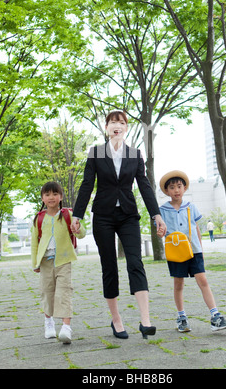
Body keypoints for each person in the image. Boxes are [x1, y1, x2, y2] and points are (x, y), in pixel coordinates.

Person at [71, 110, 167, 339]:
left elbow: (144, 185)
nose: (117, 125)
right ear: (106, 127)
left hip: (128, 215)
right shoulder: (95, 153)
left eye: (122, 122)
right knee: (110, 266)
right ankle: (116, 320)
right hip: (102, 216)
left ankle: (145, 321)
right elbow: (86, 184)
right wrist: (77, 215)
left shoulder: (135, 154)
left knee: (135, 262)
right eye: (113, 122)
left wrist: (156, 215)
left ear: (126, 128)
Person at [158, 170, 226, 333]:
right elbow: (161, 229)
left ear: (184, 188)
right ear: (167, 191)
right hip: (176, 252)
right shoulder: (162, 210)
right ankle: (181, 317)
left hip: (194, 250)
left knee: (203, 280)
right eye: (172, 187)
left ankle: (215, 316)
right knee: (178, 284)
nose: (176, 190)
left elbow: (196, 228)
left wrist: (201, 249)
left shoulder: (191, 207)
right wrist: (161, 232)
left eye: (179, 186)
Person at [31, 181, 85, 344]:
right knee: (47, 293)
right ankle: (49, 323)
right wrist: (35, 263)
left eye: (55, 194)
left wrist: (78, 227)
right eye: (47, 194)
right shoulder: (38, 218)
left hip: (64, 261)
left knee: (64, 292)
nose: (51, 197)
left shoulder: (68, 214)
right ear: (42, 198)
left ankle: (66, 328)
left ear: (61, 197)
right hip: (46, 262)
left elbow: (81, 234)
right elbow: (34, 242)